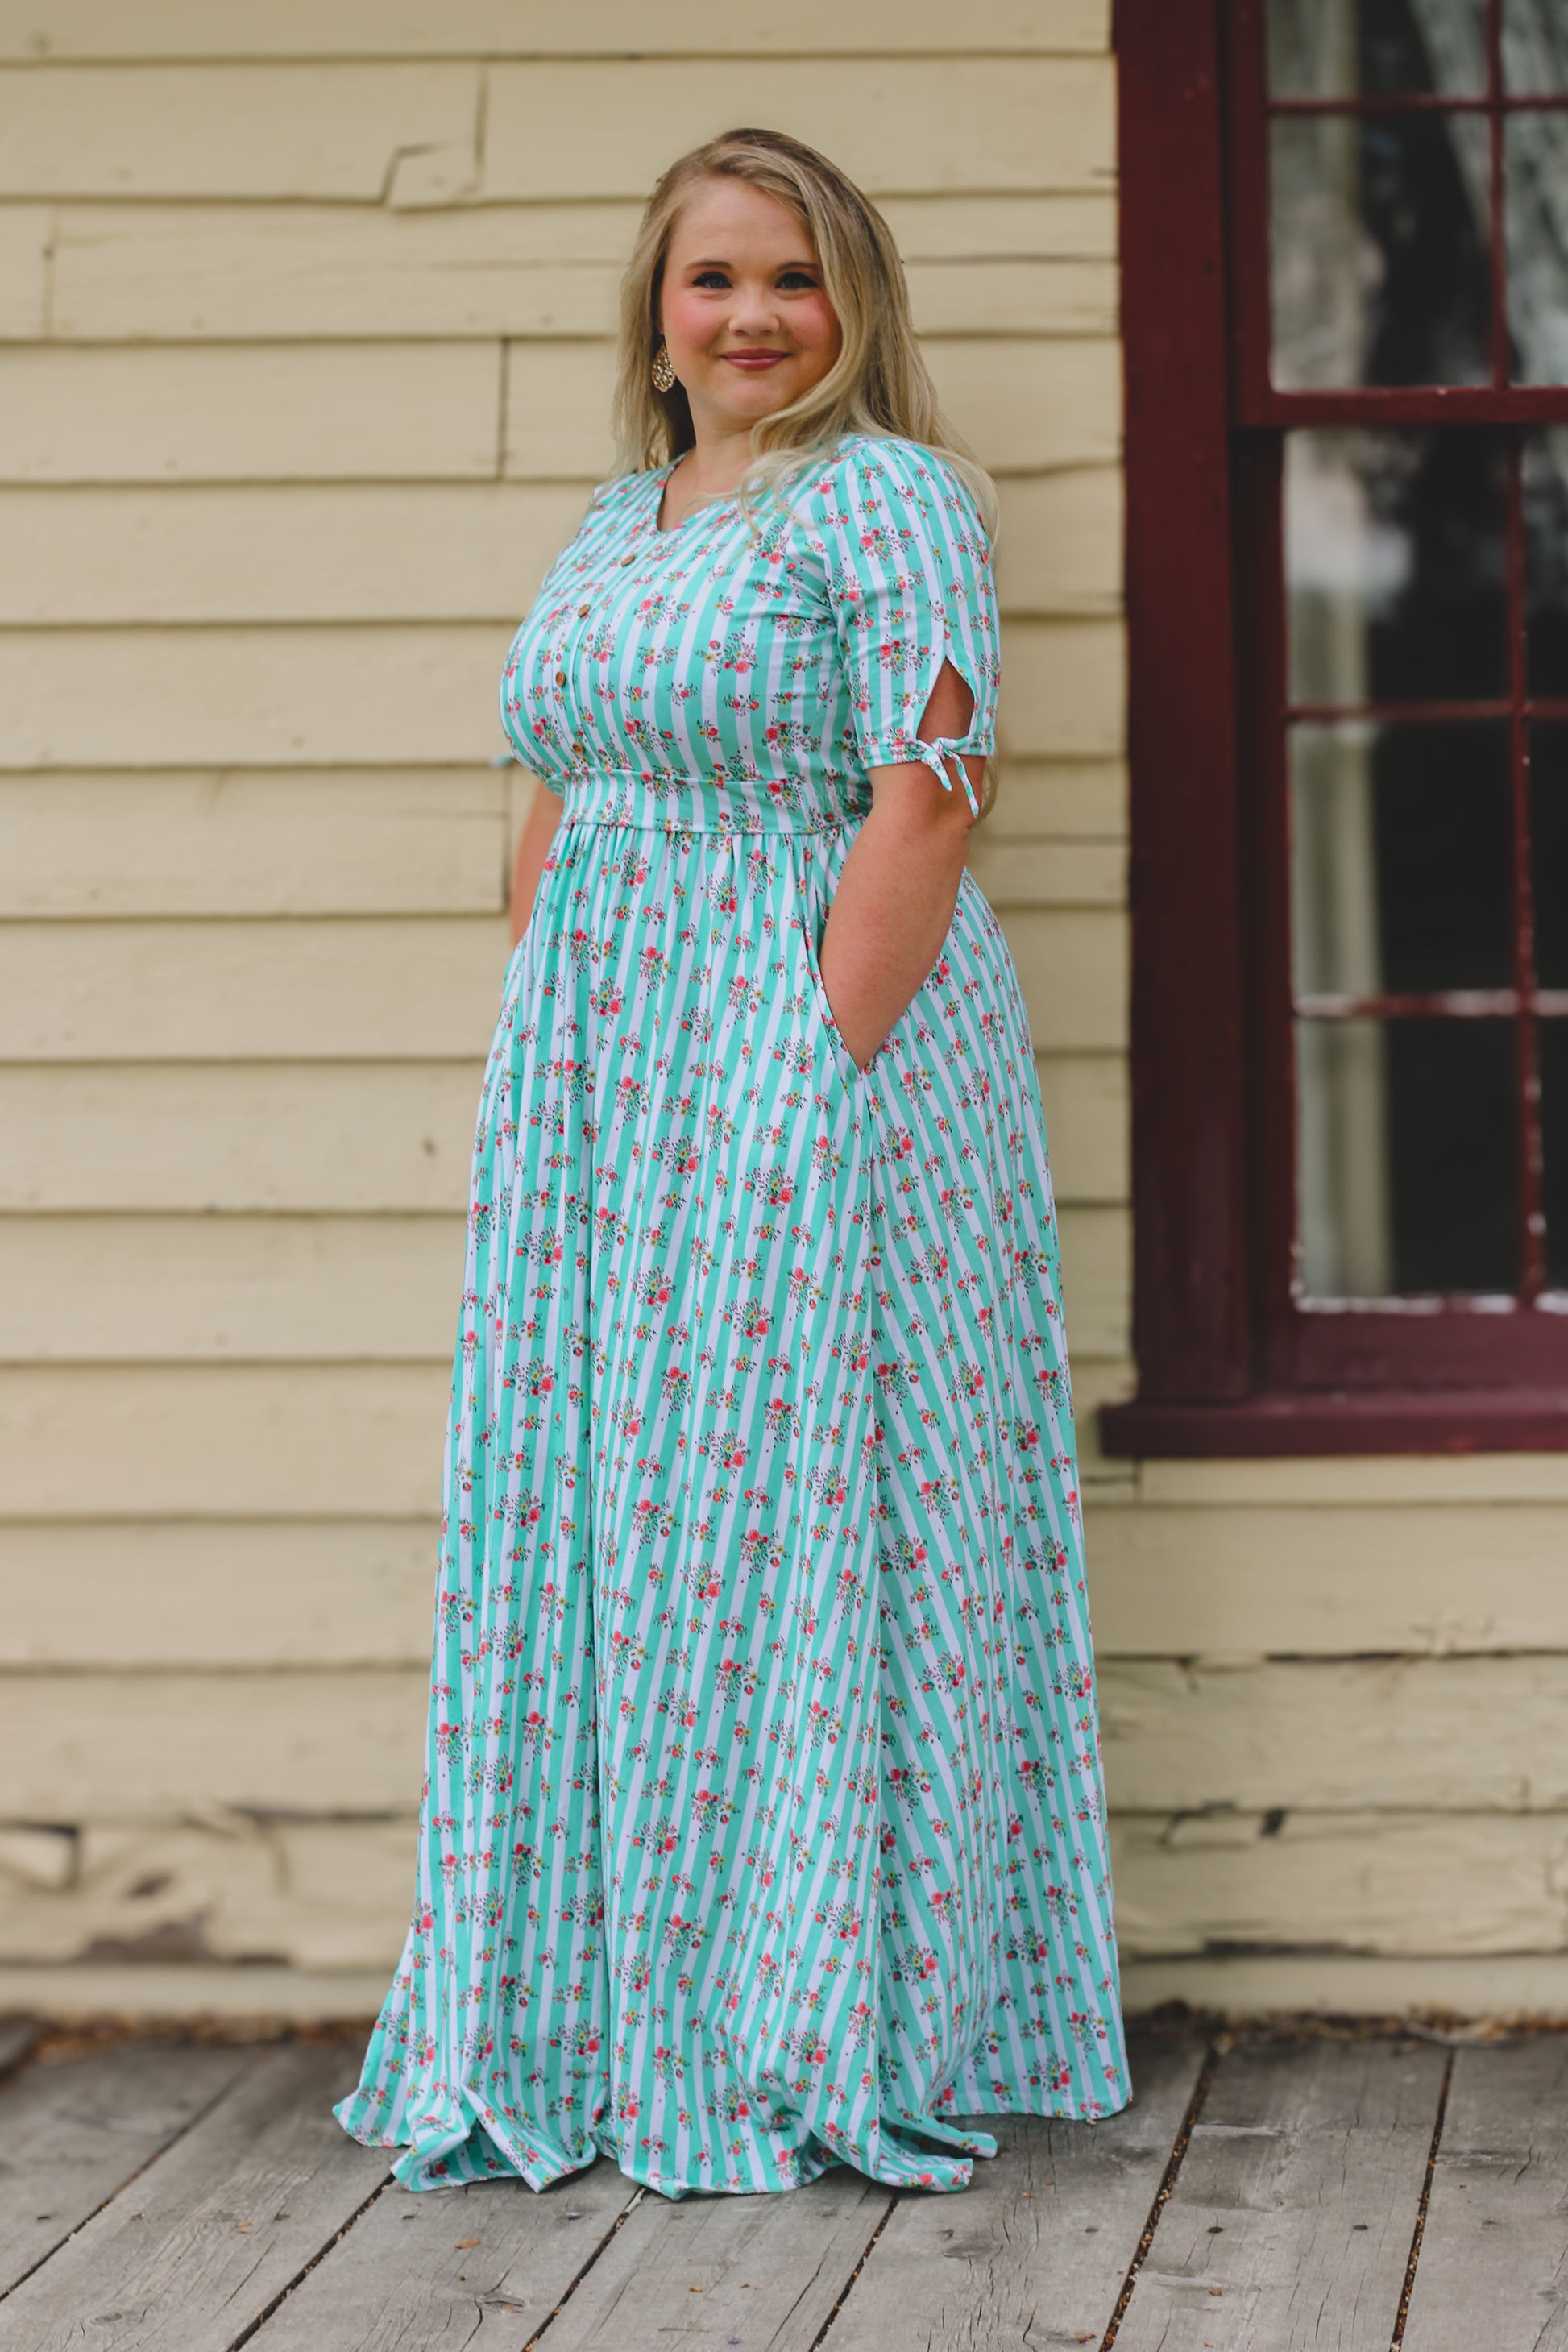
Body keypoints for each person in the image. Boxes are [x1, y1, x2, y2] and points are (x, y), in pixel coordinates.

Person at [334, 124, 1127, 2201]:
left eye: (795, 277)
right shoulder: (618, 518)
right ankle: (614, 2009)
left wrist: (806, 1070)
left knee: (798, 1514)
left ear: (851, 303)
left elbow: (932, 794)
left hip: (814, 1059)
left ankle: (808, 2008)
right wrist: (551, 1026)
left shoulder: (884, 499)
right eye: (715, 280)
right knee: (614, 1515)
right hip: (606, 1089)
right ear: (659, 315)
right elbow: (560, 778)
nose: (756, 315)